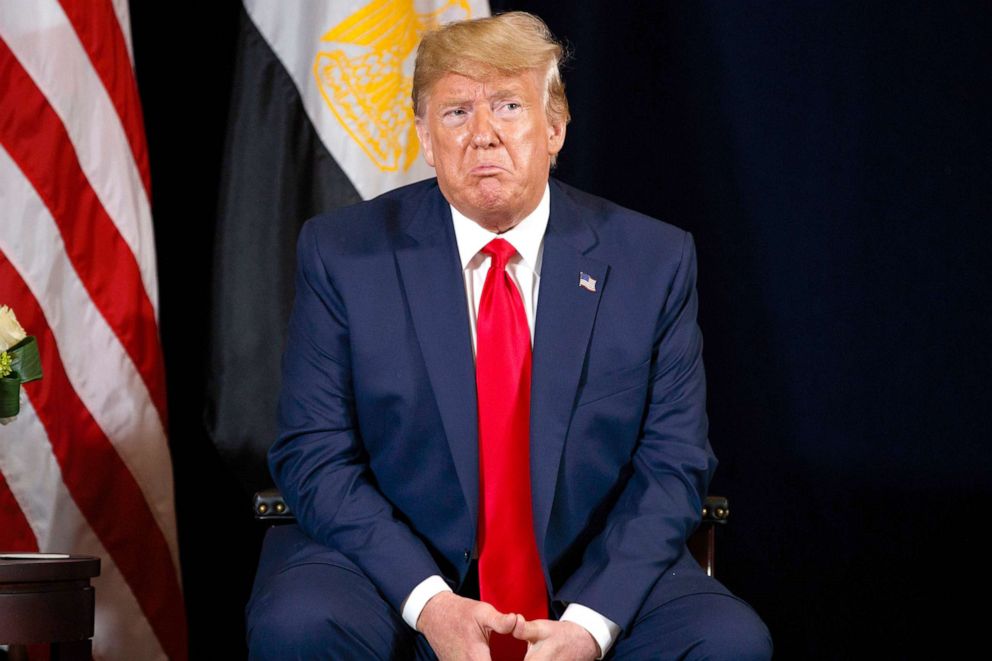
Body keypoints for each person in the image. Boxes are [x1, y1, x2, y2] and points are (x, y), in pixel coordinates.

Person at [247, 11, 771, 661]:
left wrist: (591, 622)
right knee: (299, 624)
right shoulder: (342, 254)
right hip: (395, 565)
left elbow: (674, 464)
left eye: (508, 105)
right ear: (424, 136)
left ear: (555, 128)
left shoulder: (653, 260)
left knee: (727, 641)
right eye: (457, 112)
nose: (483, 135)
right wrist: (429, 601)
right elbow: (314, 453)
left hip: (588, 562)